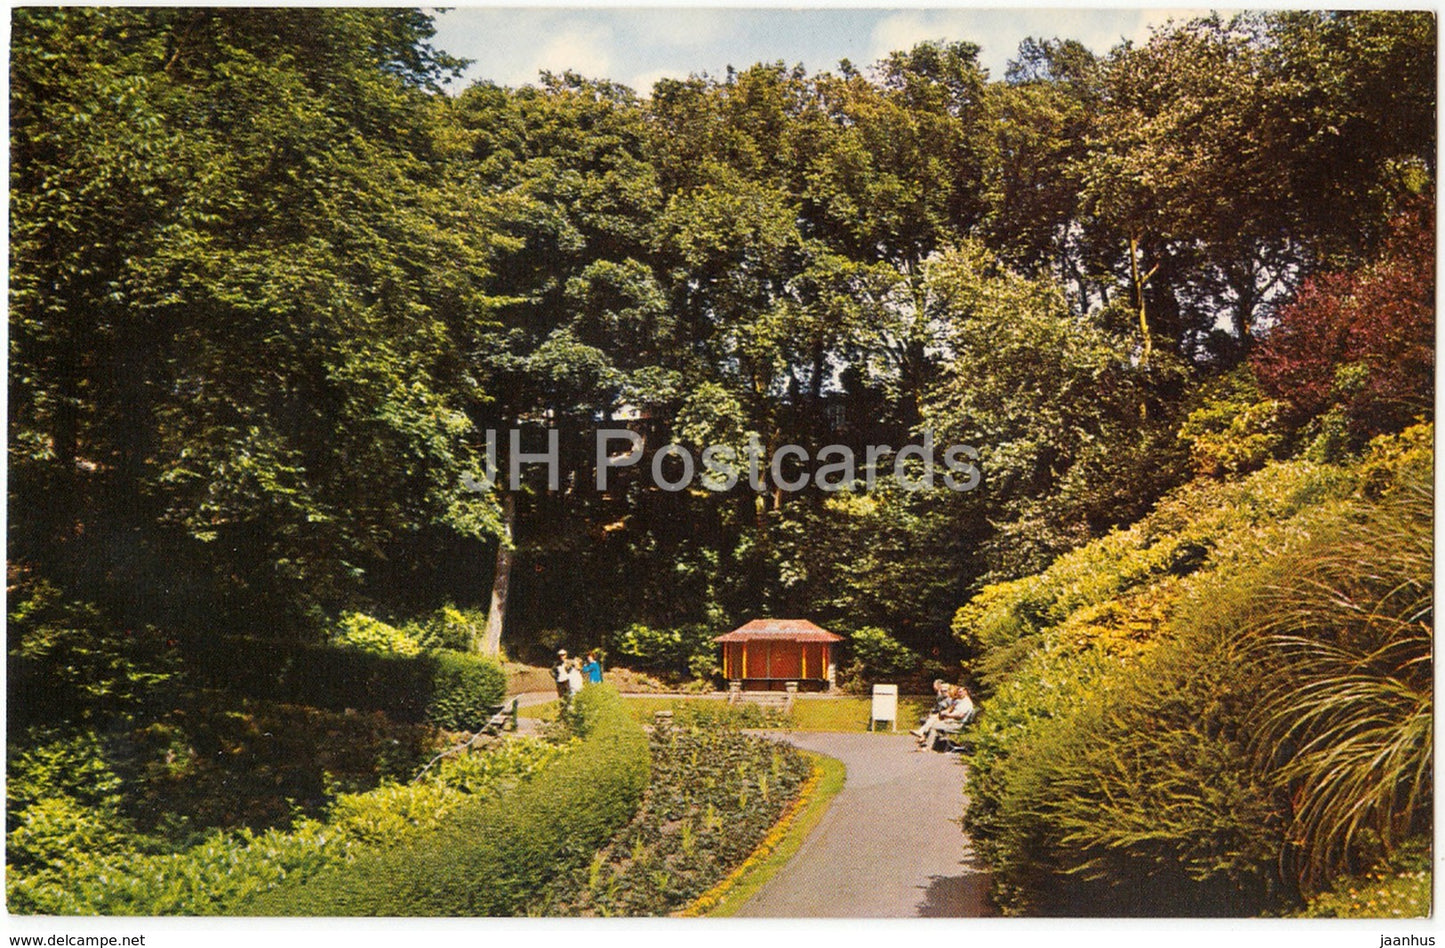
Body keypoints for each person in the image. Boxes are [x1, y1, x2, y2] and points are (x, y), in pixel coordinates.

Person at [914, 685, 975, 751]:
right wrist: (946, 714)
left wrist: (948, 715)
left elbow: (960, 715)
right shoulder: (961, 701)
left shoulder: (966, 703)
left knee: (934, 727)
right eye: (958, 692)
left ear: (965, 692)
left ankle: (927, 746)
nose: (959, 693)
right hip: (955, 722)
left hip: (958, 725)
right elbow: (952, 709)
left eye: (961, 692)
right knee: (934, 720)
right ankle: (925, 739)